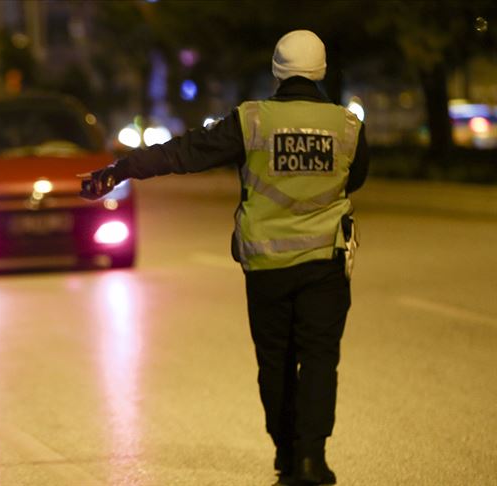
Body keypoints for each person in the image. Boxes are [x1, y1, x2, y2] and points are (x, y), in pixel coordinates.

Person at [80, 30, 369, 485]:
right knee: (318, 359)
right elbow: (355, 180)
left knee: (274, 362)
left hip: (267, 266)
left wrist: (121, 170)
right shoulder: (347, 126)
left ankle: (286, 456)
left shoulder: (252, 120)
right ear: (322, 70)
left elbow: (186, 153)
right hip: (325, 264)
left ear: (276, 69)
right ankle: (312, 459)